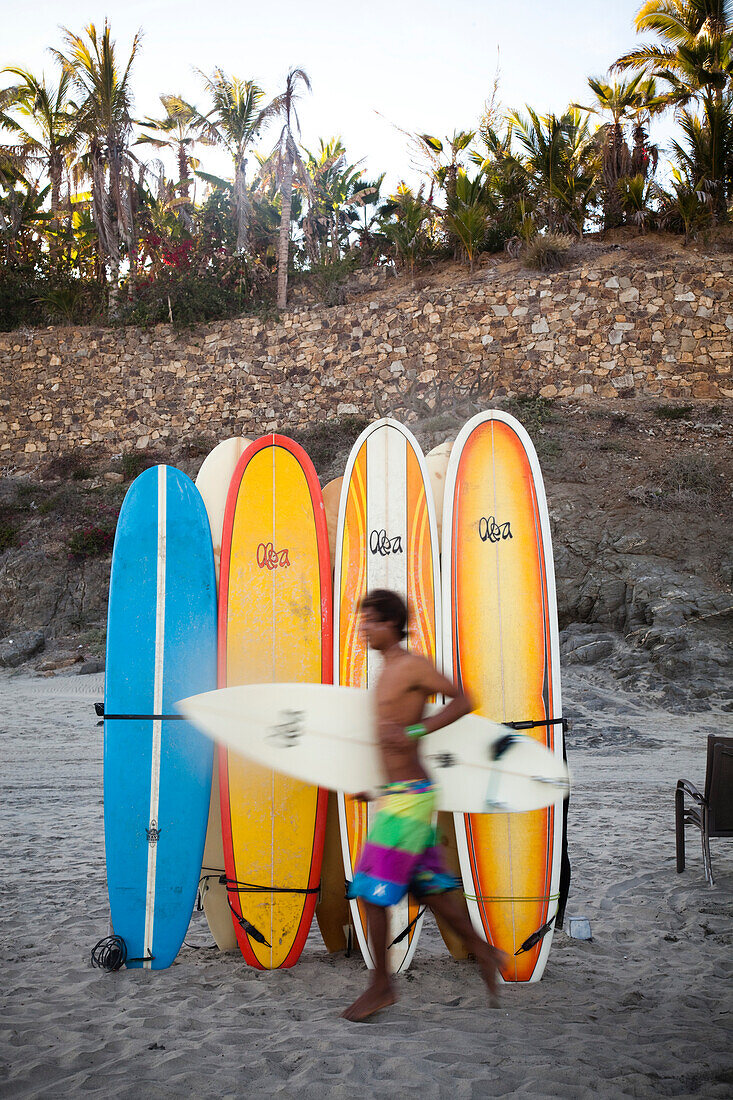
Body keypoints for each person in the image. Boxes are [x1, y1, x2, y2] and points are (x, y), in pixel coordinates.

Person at [342, 588, 507, 1022]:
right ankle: (484, 952)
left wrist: (417, 733)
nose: (365, 628)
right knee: (432, 892)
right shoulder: (386, 672)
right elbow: (388, 745)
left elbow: (465, 699)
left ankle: (382, 985)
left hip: (411, 799)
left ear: (392, 624)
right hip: (399, 795)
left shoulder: (413, 666)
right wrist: (377, 790)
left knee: (371, 893)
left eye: (372, 620)